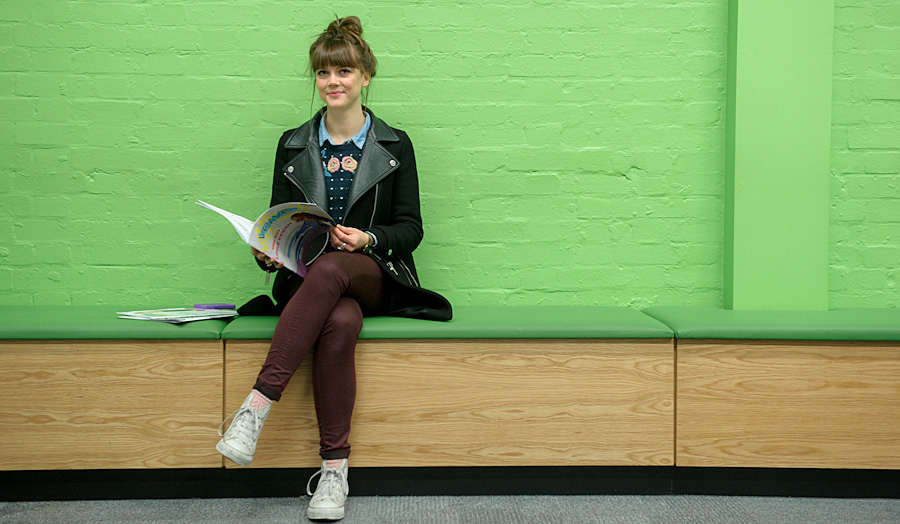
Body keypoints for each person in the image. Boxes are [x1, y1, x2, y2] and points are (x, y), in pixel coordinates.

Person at [216, 16, 452, 522]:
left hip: (372, 274)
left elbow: (410, 228)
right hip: (309, 279)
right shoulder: (293, 143)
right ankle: (334, 472)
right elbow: (280, 219)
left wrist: (368, 238)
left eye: (344, 72)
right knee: (339, 321)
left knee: (338, 270)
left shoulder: (395, 144)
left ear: (365, 77)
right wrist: (267, 248)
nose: (333, 82)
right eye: (324, 73)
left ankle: (255, 407)